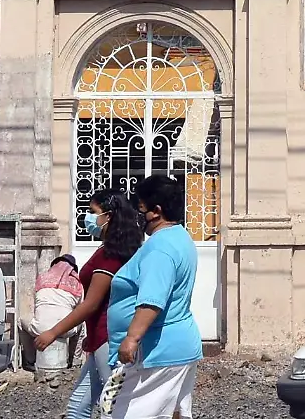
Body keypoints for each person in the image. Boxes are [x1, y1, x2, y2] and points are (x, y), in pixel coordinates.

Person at [35, 191, 146, 419]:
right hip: (99, 338)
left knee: (112, 406)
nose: (88, 217)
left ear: (109, 216)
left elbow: (92, 303)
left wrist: (54, 332)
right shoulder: (108, 250)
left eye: (93, 212)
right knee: (79, 405)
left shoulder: (110, 255)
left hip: (107, 337)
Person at [105, 173, 200, 419]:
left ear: (156, 211)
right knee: (172, 412)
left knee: (116, 411)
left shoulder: (160, 248)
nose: (137, 216)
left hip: (156, 351)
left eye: (141, 209)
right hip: (176, 346)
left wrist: (131, 338)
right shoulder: (180, 237)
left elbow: (152, 299)